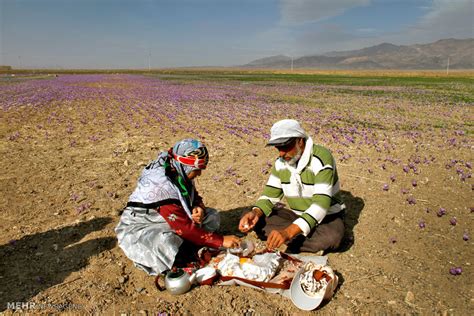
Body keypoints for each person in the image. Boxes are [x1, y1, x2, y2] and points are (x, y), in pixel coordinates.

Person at [116, 138, 240, 275]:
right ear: (187, 165)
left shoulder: (177, 168)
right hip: (146, 224)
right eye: (198, 169)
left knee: (212, 216)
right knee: (166, 242)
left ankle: (193, 243)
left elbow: (191, 195)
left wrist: (197, 206)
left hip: (176, 218)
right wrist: (221, 241)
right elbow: (184, 228)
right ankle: (186, 253)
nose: (199, 174)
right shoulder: (160, 186)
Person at [239, 119, 346, 254]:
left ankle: (288, 238)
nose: (281, 153)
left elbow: (321, 206)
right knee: (252, 216)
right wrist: (255, 213)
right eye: (278, 148)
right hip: (298, 216)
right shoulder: (281, 163)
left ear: (300, 141)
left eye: (285, 147)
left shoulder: (321, 158)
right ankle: (294, 237)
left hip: (327, 217)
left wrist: (288, 232)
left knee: (332, 238)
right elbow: (269, 196)